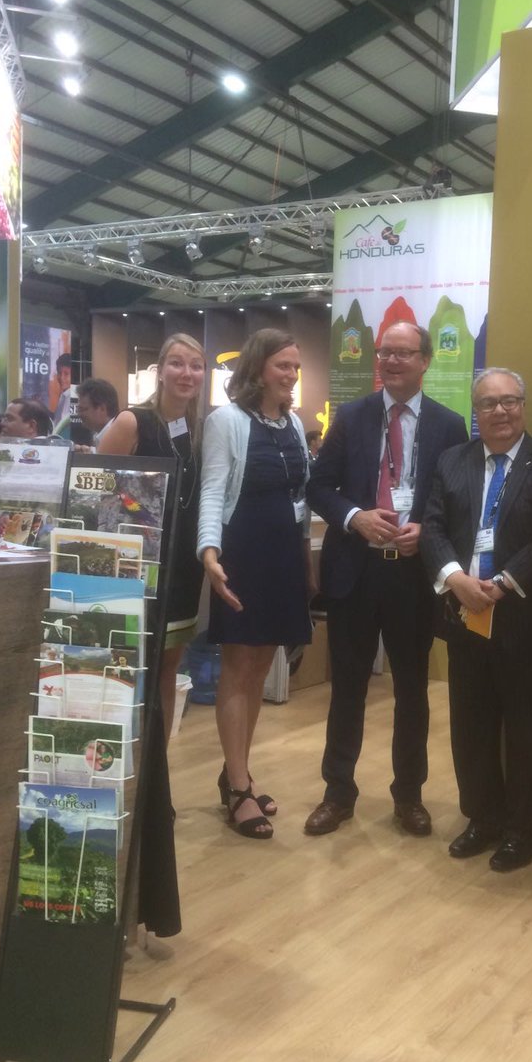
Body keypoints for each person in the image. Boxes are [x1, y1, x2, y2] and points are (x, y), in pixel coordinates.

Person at [304, 320, 468, 837]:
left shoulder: (449, 425)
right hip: (355, 570)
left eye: (404, 353)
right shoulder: (351, 416)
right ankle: (337, 793)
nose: (392, 361)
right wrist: (355, 516)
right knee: (347, 689)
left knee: (412, 690)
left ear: (425, 361)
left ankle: (409, 796)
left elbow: (457, 498)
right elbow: (318, 487)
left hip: (413, 576)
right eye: (385, 352)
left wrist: (428, 529)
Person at [420, 368, 532, 871]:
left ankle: (526, 829)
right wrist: (455, 578)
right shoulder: (452, 461)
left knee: (526, 729)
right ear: (476, 412)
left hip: (523, 618)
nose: (500, 411)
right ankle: (482, 818)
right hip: (464, 613)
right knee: (470, 725)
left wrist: (505, 581)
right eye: (488, 403)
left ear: (523, 406)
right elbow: (432, 527)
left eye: (510, 401)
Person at [98, 332, 205, 939]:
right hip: (133, 576)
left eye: (196, 364)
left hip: (182, 573)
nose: (187, 373)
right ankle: (125, 775)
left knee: (167, 674)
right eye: (177, 363)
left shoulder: (199, 430)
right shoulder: (131, 423)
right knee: (131, 674)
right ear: (159, 370)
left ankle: (152, 783)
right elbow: (94, 494)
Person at [197, 328, 314, 839]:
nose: (291, 375)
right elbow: (213, 489)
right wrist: (209, 551)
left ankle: (236, 774)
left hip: (283, 555)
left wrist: (304, 561)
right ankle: (240, 788)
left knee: (261, 667)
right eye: (282, 365)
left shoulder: (293, 423)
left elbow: (300, 499)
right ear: (258, 368)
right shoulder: (226, 420)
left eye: (295, 367)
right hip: (243, 553)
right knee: (238, 667)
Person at [76, 378, 119, 447]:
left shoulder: (117, 438)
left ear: (102, 408)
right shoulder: (101, 435)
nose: (79, 414)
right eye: (78, 409)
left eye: (82, 409)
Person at [48, 353, 73, 427]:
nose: (62, 378)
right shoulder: (64, 395)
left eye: (66, 374)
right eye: (59, 373)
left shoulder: (72, 397)